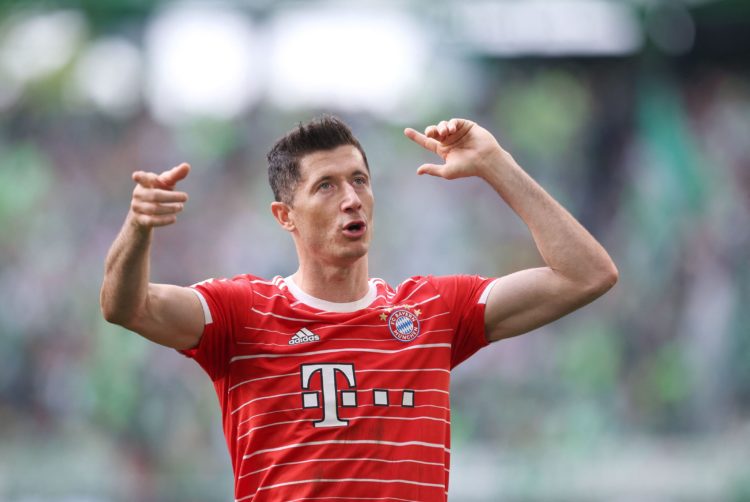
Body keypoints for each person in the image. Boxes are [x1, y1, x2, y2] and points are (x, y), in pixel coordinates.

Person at [100, 116, 618, 501]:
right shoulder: (241, 313)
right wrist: (137, 228)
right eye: (326, 186)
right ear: (285, 216)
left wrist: (495, 164)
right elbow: (128, 307)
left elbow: (586, 274)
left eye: (359, 180)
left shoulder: (433, 311)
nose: (351, 198)